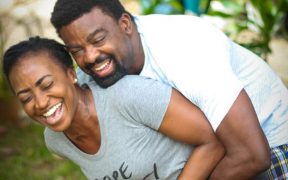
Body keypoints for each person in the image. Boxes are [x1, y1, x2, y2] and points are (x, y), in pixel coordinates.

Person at [50, 0, 288, 179]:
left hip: (273, 147)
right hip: (217, 151)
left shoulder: (182, 49)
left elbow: (252, 155)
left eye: (98, 39)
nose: (90, 56)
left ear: (125, 24)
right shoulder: (93, 75)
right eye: (77, 50)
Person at [3, 37, 225, 179]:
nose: (40, 103)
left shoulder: (127, 95)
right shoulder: (56, 141)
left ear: (71, 74)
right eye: (26, 97)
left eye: (47, 85)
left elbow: (211, 142)